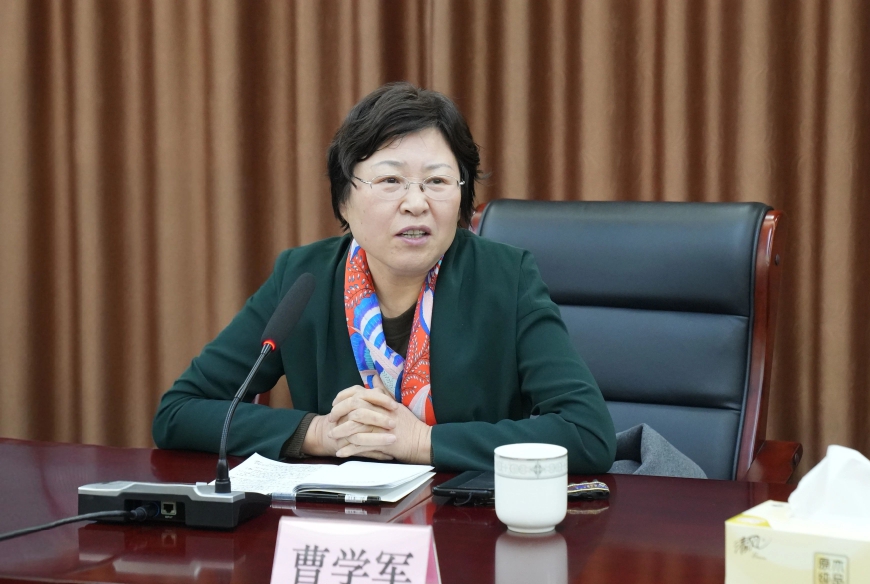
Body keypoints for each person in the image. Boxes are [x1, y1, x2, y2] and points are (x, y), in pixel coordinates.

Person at [152, 82, 617, 473]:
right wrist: (319, 433)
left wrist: (420, 442)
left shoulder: (506, 278)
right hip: (340, 531)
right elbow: (178, 412)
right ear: (344, 200)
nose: (415, 203)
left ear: (462, 196)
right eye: (391, 181)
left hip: (466, 529)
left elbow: (587, 433)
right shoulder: (304, 278)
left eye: (437, 182)